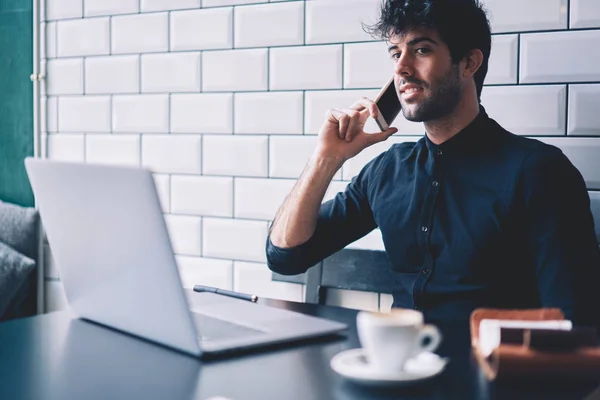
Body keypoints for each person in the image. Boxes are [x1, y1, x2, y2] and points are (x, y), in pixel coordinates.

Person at [266, 0, 600, 326]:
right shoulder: (387, 171)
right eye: (396, 53)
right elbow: (286, 256)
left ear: (469, 63)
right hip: (396, 371)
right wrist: (326, 159)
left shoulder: (538, 172)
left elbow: (574, 321)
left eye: (421, 50)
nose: (401, 67)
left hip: (492, 375)